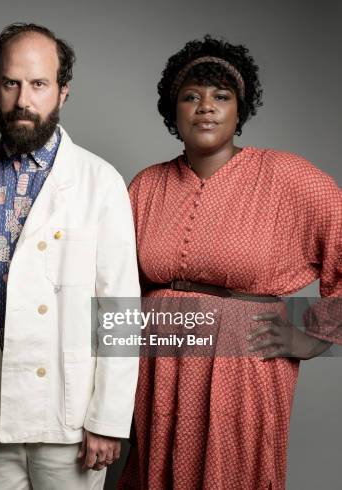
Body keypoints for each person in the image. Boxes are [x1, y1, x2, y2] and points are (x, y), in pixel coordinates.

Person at [118, 36, 342, 489]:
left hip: (243, 368)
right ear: (172, 111)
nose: (206, 107)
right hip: (158, 368)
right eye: (191, 97)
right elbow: (115, 283)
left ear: (240, 111)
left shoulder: (286, 176)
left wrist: (313, 337)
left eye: (222, 96)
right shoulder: (145, 186)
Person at [0, 23, 140, 490]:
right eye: (11, 83)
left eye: (39, 84)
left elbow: (121, 310)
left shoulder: (99, 181)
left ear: (63, 91)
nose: (24, 99)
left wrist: (108, 417)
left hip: (66, 408)